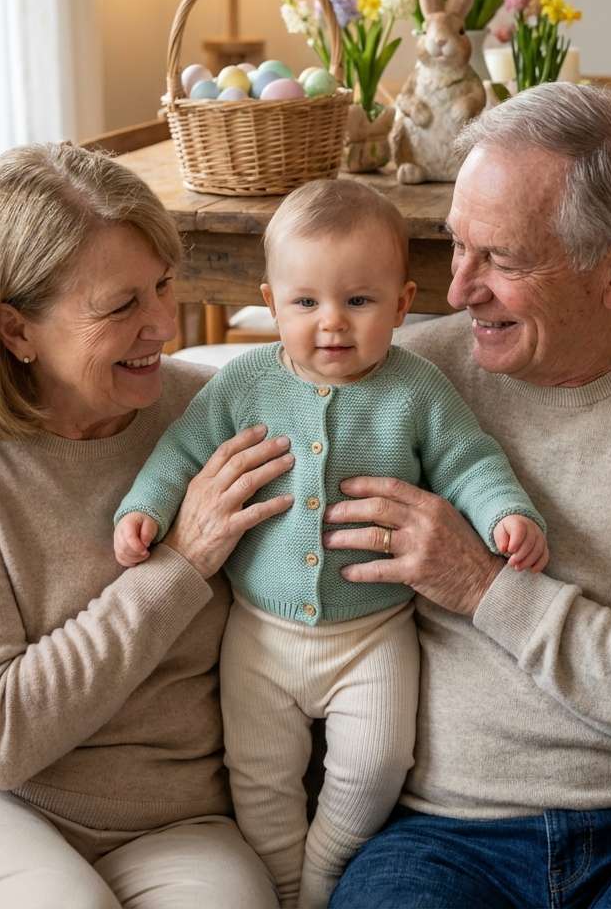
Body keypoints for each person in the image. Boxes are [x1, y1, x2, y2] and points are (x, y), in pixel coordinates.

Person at [323, 82, 611, 909]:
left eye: (500, 259)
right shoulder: (406, 382)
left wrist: (487, 589)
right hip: (445, 828)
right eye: (456, 246)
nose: (459, 289)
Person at [0, 142, 296, 909]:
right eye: (121, 306)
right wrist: (179, 565)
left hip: (169, 816)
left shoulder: (215, 413)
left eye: (162, 285)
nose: (164, 322)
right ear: (15, 331)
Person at [112, 178, 548, 908]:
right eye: (306, 303)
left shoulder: (417, 390)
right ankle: (282, 883)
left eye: (359, 301)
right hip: (260, 635)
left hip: (372, 633)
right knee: (258, 774)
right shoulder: (243, 384)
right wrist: (145, 509)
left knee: (379, 764)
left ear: (404, 304)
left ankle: (323, 873)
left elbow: (469, 459)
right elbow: (182, 454)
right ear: (272, 302)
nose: (332, 325)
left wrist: (506, 511)